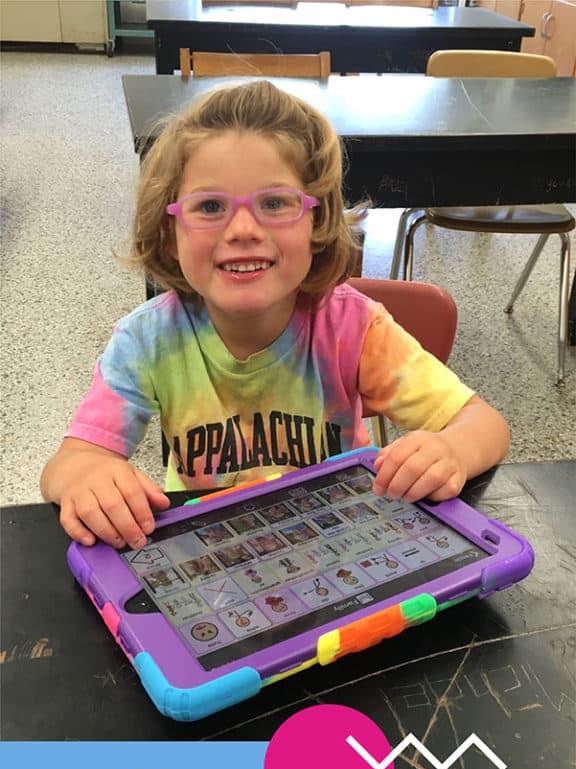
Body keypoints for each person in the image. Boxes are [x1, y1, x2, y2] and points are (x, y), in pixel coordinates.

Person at [40, 80, 509, 551]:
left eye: (274, 203)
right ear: (169, 231)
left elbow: (484, 425)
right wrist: (89, 474)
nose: (243, 229)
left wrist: (452, 449)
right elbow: (68, 464)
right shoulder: (148, 340)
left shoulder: (354, 329)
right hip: (212, 559)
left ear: (317, 222)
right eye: (209, 206)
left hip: (341, 553)